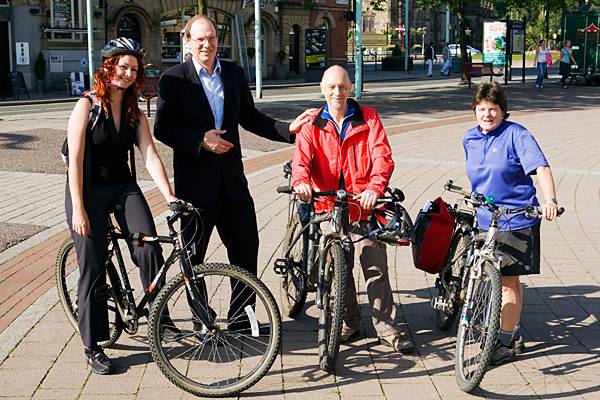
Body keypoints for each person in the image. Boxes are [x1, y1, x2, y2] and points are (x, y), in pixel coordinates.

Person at [153, 15, 310, 331]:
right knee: (194, 258)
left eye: (211, 37)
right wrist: (200, 141)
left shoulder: (235, 74)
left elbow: (251, 118)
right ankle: (202, 318)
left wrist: (288, 129)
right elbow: (163, 129)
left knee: (246, 247)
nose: (206, 44)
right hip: (195, 185)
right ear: (187, 42)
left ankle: (241, 318)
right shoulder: (173, 78)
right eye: (199, 39)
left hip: (233, 182)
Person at [65, 37, 179, 375]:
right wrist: (79, 210)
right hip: (85, 190)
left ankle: (159, 314)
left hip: (123, 187)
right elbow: (74, 162)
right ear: (109, 66)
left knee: (149, 248)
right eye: (122, 66)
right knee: (93, 266)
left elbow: (150, 155)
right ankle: (92, 344)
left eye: (133, 69)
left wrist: (170, 196)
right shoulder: (87, 105)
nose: (127, 74)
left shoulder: (134, 110)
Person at [291, 65, 415, 354]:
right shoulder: (312, 123)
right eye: (332, 87)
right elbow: (301, 160)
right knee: (338, 264)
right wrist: (301, 182)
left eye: (343, 87)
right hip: (327, 202)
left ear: (351, 88)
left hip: (363, 203)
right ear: (323, 89)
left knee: (373, 261)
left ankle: (386, 327)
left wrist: (375, 188)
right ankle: (349, 321)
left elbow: (382, 156)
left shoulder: (368, 117)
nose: (338, 92)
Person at [464, 82, 559, 364]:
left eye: (493, 109)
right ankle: (512, 329)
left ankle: (503, 342)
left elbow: (540, 167)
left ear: (503, 111)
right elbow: (478, 171)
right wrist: (475, 197)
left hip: (516, 218)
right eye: (481, 109)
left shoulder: (517, 134)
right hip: (485, 218)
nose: (487, 114)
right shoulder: (469, 138)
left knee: (508, 281)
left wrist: (550, 200)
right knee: (502, 279)